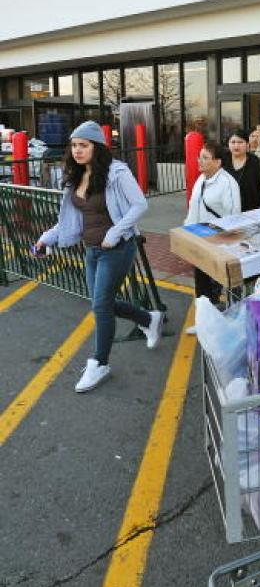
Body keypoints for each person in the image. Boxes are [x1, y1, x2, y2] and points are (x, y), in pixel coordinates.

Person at [36, 121, 164, 393]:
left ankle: (100, 363)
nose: (78, 150)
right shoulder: (75, 176)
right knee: (100, 303)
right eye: (74, 145)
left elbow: (140, 203)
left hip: (117, 249)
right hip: (91, 250)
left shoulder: (117, 172)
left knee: (101, 306)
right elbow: (69, 221)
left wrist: (116, 233)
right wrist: (47, 238)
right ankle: (148, 319)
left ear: (97, 146)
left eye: (83, 145)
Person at [185, 140, 241, 304]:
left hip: (218, 243)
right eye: (199, 157)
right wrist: (187, 236)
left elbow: (233, 217)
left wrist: (223, 246)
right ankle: (205, 319)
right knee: (201, 283)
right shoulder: (201, 179)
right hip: (199, 239)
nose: (199, 161)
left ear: (218, 162)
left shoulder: (227, 183)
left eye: (205, 158)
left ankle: (220, 317)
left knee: (218, 283)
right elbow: (193, 210)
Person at [224, 129, 260, 212]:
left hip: (252, 210)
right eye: (233, 142)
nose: (236, 146)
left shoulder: (255, 161)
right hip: (228, 210)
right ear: (228, 144)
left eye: (240, 142)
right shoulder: (223, 161)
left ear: (247, 144)